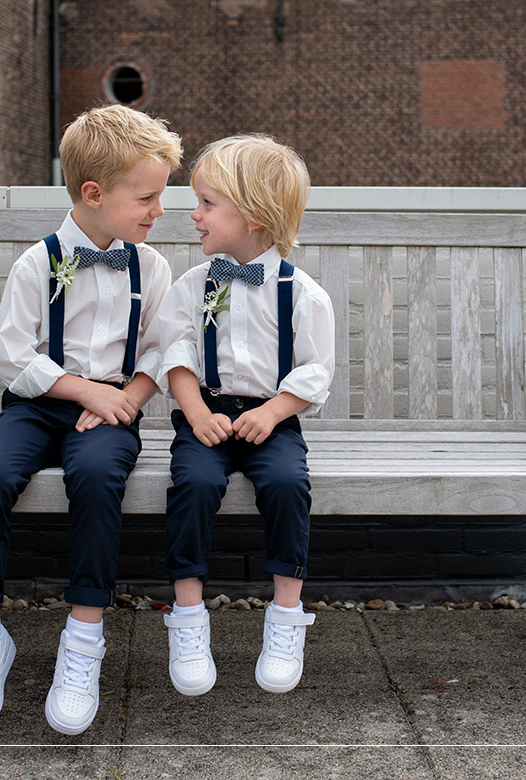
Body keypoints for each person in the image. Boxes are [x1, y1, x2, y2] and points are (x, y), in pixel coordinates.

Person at [0, 104, 182, 738]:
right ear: (94, 193)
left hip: (112, 410)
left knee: (97, 479)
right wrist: (78, 388)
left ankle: (83, 640)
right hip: (37, 402)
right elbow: (11, 354)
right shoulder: (38, 262)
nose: (158, 210)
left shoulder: (153, 268)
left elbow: (164, 348)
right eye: (148, 197)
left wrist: (127, 399)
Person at [149, 134, 334, 698]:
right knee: (194, 482)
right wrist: (195, 411)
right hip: (203, 414)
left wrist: (276, 411)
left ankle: (285, 614)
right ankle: (187, 617)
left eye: (207, 203)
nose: (194, 214)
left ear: (253, 215)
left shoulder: (302, 294)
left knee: (284, 483)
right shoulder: (192, 285)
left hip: (270, 420)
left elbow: (315, 371)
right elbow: (173, 352)